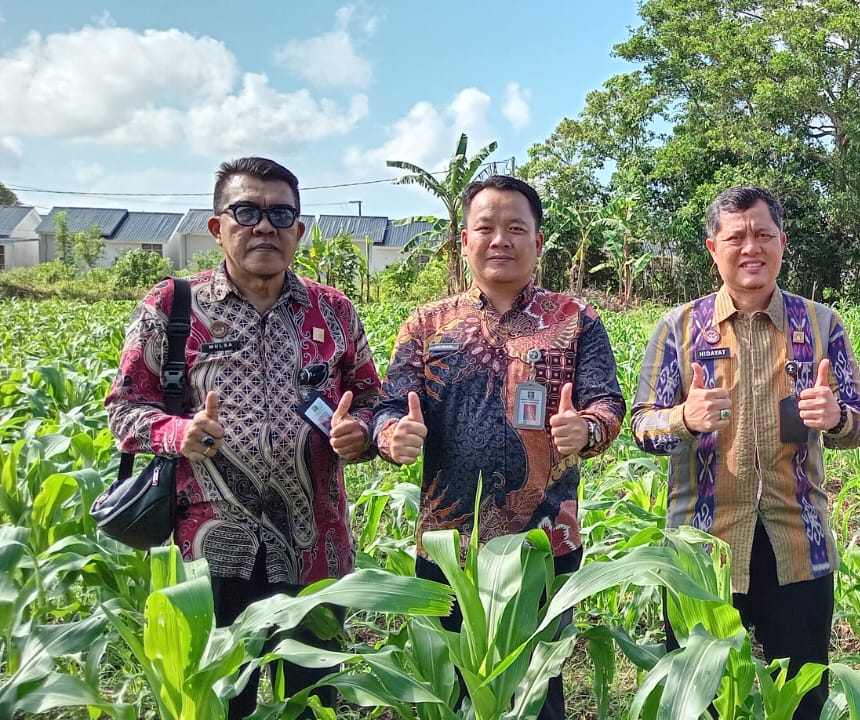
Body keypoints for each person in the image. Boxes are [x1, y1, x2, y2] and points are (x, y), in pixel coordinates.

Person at [106, 157, 379, 719]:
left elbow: (373, 398)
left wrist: (364, 434)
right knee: (225, 701)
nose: (265, 227)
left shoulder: (333, 310)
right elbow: (124, 412)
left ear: (299, 230)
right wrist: (178, 431)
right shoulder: (171, 308)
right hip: (209, 559)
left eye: (281, 214)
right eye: (247, 211)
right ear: (217, 227)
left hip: (315, 555)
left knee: (312, 701)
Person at [373, 174, 624, 719]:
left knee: (540, 691)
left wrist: (588, 427)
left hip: (544, 543)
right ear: (464, 240)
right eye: (485, 228)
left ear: (538, 239)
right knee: (453, 691)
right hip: (447, 544)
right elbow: (390, 407)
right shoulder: (425, 325)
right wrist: (394, 434)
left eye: (516, 228)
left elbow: (608, 403)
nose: (500, 240)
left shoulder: (576, 320)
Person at [631, 185, 860, 719]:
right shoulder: (678, 328)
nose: (751, 247)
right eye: (736, 236)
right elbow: (642, 426)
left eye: (763, 234)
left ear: (782, 242)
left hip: (799, 545)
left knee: (803, 699)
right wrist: (684, 419)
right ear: (713, 248)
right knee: (704, 703)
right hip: (703, 552)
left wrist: (836, 419)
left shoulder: (823, 324)